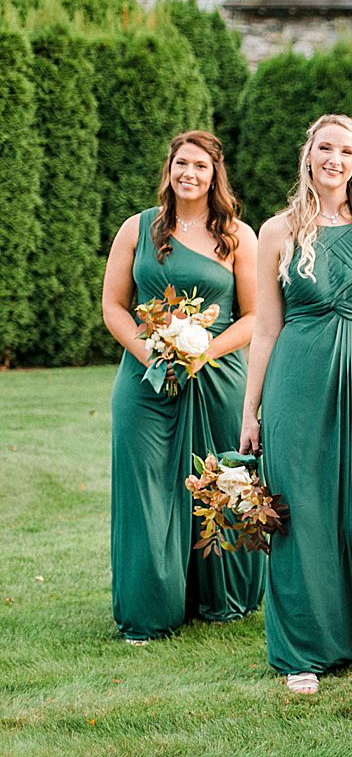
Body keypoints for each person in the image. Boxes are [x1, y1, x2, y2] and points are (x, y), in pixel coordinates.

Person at [239, 114, 352, 694]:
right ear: (309, 154)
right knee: (303, 507)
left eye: (347, 150)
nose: (335, 160)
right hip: (297, 379)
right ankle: (305, 650)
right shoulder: (277, 231)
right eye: (326, 147)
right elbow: (265, 329)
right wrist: (250, 410)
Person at [102, 130, 264, 644]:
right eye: (180, 164)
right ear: (168, 170)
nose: (188, 174)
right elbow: (113, 306)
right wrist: (151, 350)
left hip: (216, 379)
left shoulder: (238, 236)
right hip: (145, 378)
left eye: (199, 165)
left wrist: (202, 351)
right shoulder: (138, 228)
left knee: (218, 483)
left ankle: (222, 600)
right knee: (147, 489)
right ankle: (150, 609)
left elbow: (256, 317)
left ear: (215, 174)